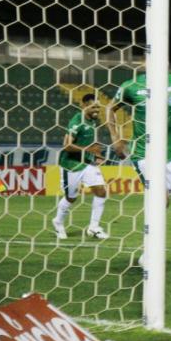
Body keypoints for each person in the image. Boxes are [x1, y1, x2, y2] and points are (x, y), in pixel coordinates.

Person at [108, 70, 171, 205]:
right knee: (158, 196)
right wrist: (116, 138)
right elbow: (110, 109)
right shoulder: (131, 86)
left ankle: (152, 226)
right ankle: (149, 226)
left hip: (168, 151)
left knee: (163, 201)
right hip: (143, 150)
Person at [52, 94, 110, 240]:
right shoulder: (77, 121)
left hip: (87, 163)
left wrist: (95, 155)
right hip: (71, 165)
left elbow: (89, 143)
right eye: (93, 107)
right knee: (71, 198)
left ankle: (94, 227)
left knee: (101, 191)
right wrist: (88, 150)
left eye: (98, 106)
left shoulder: (94, 121)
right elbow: (67, 146)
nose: (97, 110)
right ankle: (58, 222)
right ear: (84, 106)